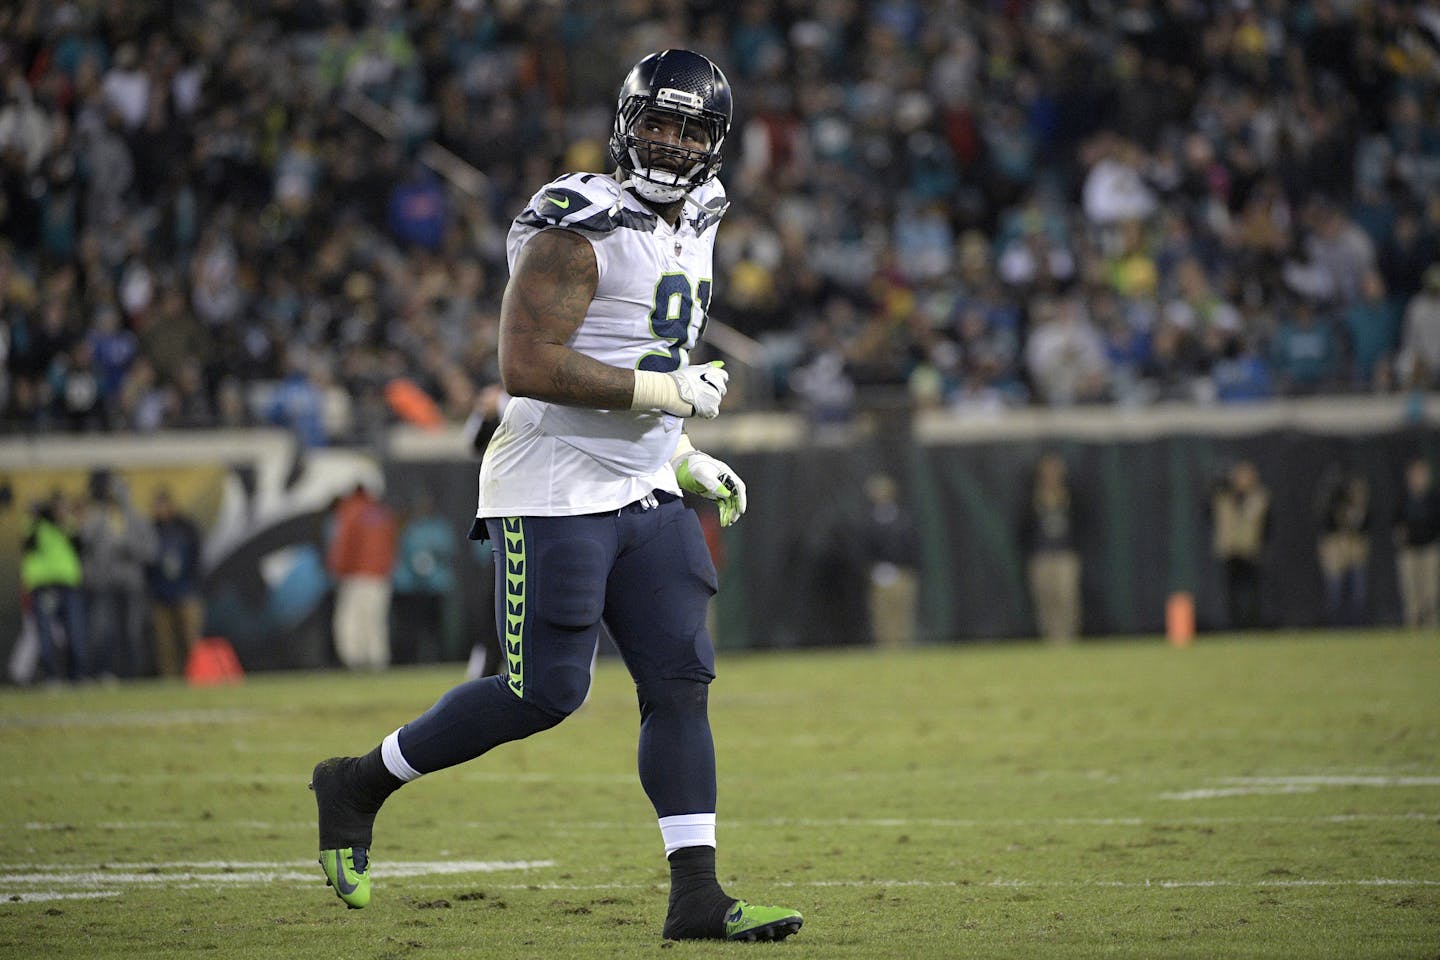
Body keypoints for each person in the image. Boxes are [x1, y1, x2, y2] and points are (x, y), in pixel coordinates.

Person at [309, 50, 801, 943]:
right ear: (625, 121)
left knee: (681, 682)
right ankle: (357, 783)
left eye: (691, 129)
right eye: (658, 121)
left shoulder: (703, 214)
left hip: (646, 484)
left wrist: (680, 452)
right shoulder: (580, 222)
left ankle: (696, 895)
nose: (671, 142)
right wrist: (666, 397)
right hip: (554, 482)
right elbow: (525, 366)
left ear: (716, 144)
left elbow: (640, 341)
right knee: (544, 693)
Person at [80, 470, 157, 678]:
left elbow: (151, 552)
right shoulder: (98, 518)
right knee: (105, 631)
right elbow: (85, 543)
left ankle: (133, 675)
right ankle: (107, 673)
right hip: (105, 583)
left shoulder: (137, 519)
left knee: (132, 631)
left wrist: (129, 547)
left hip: (132, 584)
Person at [326, 483, 399, 670]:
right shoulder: (380, 512)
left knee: (350, 620)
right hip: (380, 576)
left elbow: (344, 544)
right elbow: (393, 543)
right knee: (375, 620)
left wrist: (338, 570)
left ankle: (354, 661)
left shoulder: (351, 511)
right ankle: (377, 660)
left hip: (355, 575)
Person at [21, 492, 88, 683]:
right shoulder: (37, 526)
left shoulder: (67, 525)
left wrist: (66, 521)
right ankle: (50, 675)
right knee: (45, 633)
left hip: (68, 584)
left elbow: (79, 545)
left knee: (75, 631)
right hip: (44, 586)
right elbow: (28, 544)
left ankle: (77, 675)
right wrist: (35, 517)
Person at [1023, 453, 1082, 644]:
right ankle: (1049, 639)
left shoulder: (1070, 495)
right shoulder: (1033, 497)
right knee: (1045, 599)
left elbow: (1083, 522)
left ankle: (1067, 638)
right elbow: (1023, 527)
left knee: (1066, 597)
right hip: (1041, 556)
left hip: (1065, 554)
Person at [146, 487, 205, 678]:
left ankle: (197, 675)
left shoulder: (186, 528)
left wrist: (193, 582)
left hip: (186, 592)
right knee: (165, 644)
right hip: (161, 594)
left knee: (191, 639)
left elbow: (197, 558)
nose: (160, 509)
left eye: (163, 505)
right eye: (157, 506)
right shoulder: (152, 530)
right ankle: (170, 680)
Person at [860, 472, 920, 648]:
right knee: (882, 616)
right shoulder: (869, 521)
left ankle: (903, 647)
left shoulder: (904, 518)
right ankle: (886, 648)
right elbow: (865, 549)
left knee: (903, 614)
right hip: (880, 575)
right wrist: (874, 570)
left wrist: (909, 569)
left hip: (902, 573)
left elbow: (913, 546)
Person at [1211, 460, 1270, 630]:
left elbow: (1267, 524)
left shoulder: (1259, 497)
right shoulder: (1225, 496)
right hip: (1231, 551)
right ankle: (1235, 625)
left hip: (1250, 551)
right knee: (1232, 593)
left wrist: (1262, 545)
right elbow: (1208, 510)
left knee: (1253, 592)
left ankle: (1253, 624)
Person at [1315, 470, 1370, 626]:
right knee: (1335, 591)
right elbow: (1325, 520)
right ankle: (1335, 625)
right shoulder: (1333, 506)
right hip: (1336, 550)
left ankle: (1356, 625)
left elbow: (1364, 526)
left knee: (1357, 592)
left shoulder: (1359, 508)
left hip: (1355, 550)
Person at [1393, 458, 1440, 629]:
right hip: (1409, 549)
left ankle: (1431, 625)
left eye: (1421, 474)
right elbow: (1395, 520)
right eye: (1415, 474)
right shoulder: (1404, 497)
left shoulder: (1433, 497)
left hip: (1429, 548)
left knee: (1431, 590)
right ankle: (1413, 625)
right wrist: (1400, 532)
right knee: (1411, 590)